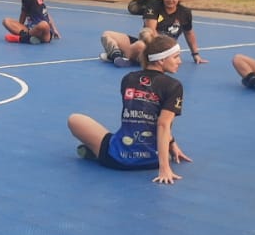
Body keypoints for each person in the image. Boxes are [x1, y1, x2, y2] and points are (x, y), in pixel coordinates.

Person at [67, 34, 192, 184]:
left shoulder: (129, 79)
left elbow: (145, 116)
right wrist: (164, 167)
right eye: (176, 57)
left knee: (74, 119)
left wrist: (171, 143)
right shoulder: (174, 86)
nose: (180, 61)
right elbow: (162, 123)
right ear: (161, 59)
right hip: (151, 161)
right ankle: (95, 151)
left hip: (115, 158)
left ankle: (96, 151)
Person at [99, 0, 205, 67]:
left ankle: (123, 56)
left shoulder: (184, 13)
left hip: (165, 51)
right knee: (107, 34)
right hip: (149, 43)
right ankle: (117, 56)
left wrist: (195, 54)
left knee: (139, 46)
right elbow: (151, 31)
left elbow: (189, 33)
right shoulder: (153, 6)